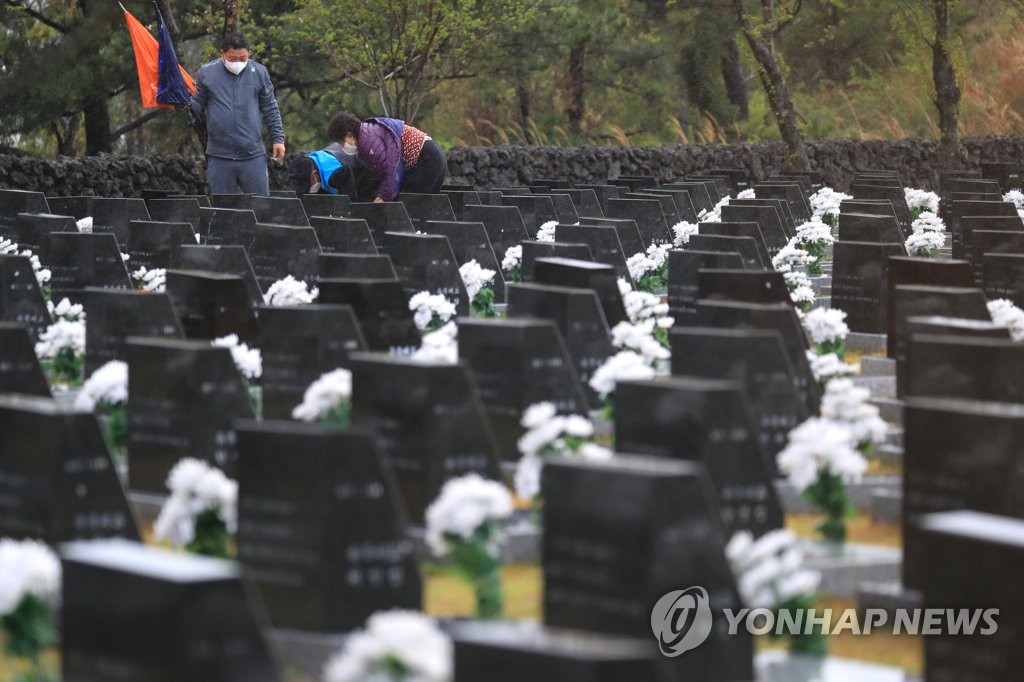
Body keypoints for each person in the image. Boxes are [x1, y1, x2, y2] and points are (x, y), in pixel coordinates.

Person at [189, 32, 286, 196]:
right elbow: (196, 106)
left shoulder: (260, 73)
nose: (238, 63)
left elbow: (270, 107)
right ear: (222, 54)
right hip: (219, 156)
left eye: (243, 59)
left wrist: (278, 138)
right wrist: (183, 103)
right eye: (233, 59)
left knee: (261, 207)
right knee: (222, 211)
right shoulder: (206, 73)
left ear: (249, 54)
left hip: (252, 155)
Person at [325, 112, 447, 202]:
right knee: (420, 208)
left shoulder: (367, 141)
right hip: (432, 156)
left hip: (427, 159)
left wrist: (383, 196)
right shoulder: (367, 134)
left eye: (341, 143)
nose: (342, 147)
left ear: (348, 136)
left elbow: (392, 168)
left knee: (409, 208)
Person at [286, 150, 358, 199]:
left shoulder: (338, 172)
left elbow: (349, 201)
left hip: (361, 179)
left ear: (315, 174)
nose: (309, 188)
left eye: (308, 184)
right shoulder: (310, 162)